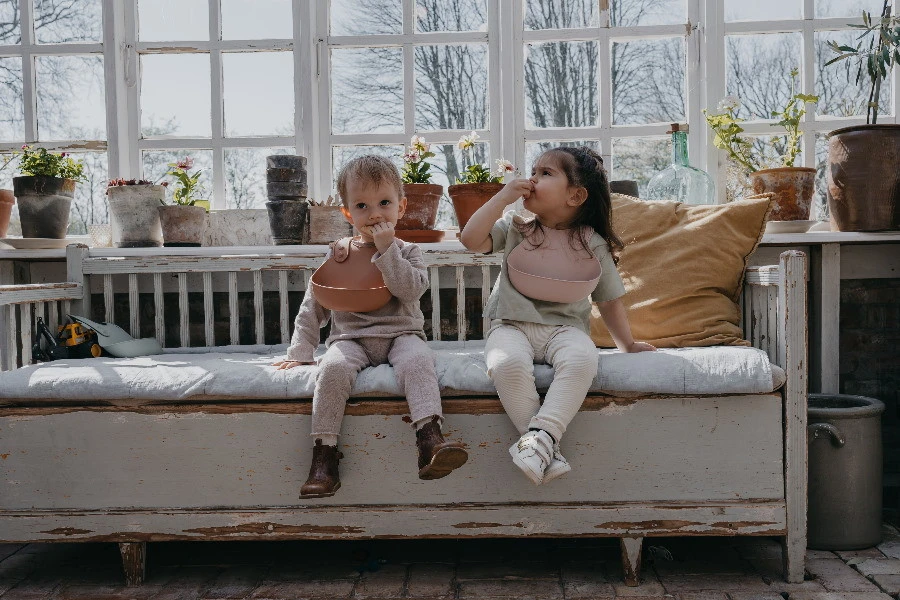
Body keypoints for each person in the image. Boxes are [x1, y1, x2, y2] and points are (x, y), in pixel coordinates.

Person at [459, 146, 655, 485]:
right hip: (511, 325)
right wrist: (501, 199)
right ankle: (544, 445)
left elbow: (608, 300)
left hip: (565, 330)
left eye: (546, 173)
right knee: (505, 364)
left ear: (575, 196)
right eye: (533, 171)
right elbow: (470, 239)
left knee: (583, 359)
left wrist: (627, 345)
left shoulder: (592, 242)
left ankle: (540, 439)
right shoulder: (516, 228)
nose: (533, 179)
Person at [275, 155, 467, 498]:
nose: (375, 214)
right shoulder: (339, 253)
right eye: (362, 205)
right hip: (351, 338)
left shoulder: (408, 252)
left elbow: (409, 291)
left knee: (419, 360)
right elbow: (314, 303)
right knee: (332, 369)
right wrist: (301, 351)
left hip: (401, 335)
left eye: (384, 203)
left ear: (401, 207)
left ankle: (429, 439)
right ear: (348, 213)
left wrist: (387, 249)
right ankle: (324, 455)